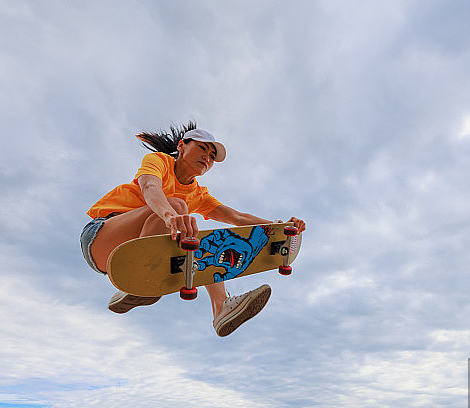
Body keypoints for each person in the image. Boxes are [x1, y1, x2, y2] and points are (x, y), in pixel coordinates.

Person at [80, 122, 306, 336]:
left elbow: (236, 217)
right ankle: (140, 275)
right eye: (202, 150)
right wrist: (171, 215)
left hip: (118, 260)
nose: (207, 158)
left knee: (200, 241)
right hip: (100, 237)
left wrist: (281, 227)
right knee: (180, 208)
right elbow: (150, 187)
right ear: (181, 146)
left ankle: (221, 308)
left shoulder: (199, 194)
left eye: (211, 157)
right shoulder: (158, 161)